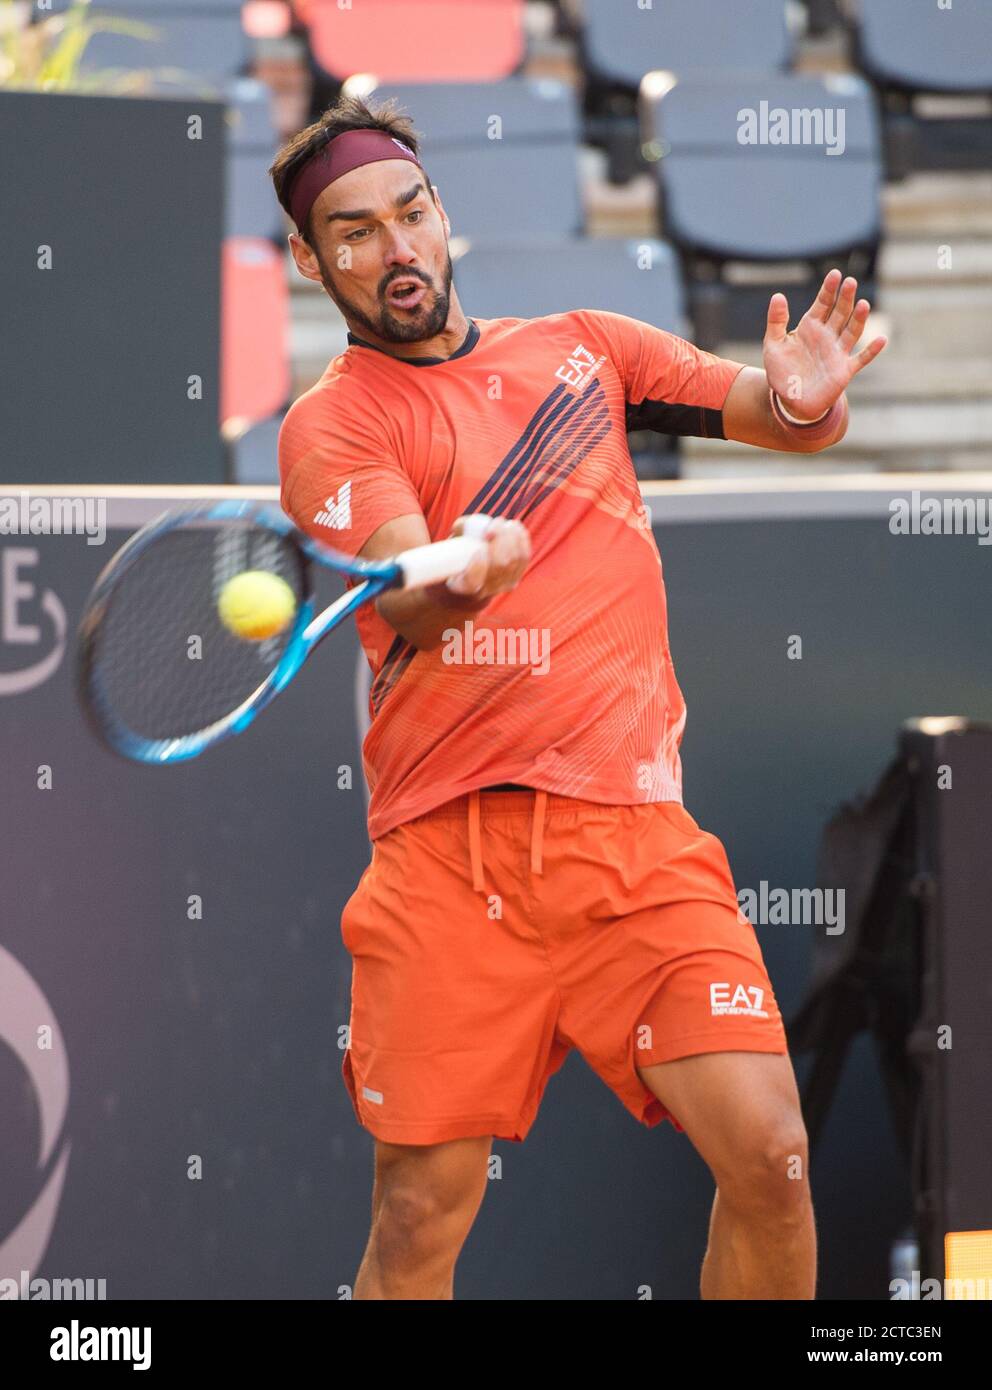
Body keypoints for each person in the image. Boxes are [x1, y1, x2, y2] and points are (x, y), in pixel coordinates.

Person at [270, 95, 887, 1300]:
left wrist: (806, 396)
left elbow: (773, 415)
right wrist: (460, 573)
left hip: (636, 845)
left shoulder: (586, 349)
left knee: (769, 1154)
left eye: (408, 214)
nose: (394, 250)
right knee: (415, 1220)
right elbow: (409, 592)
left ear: (441, 214)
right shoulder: (332, 424)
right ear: (310, 260)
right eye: (353, 233)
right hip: (450, 862)